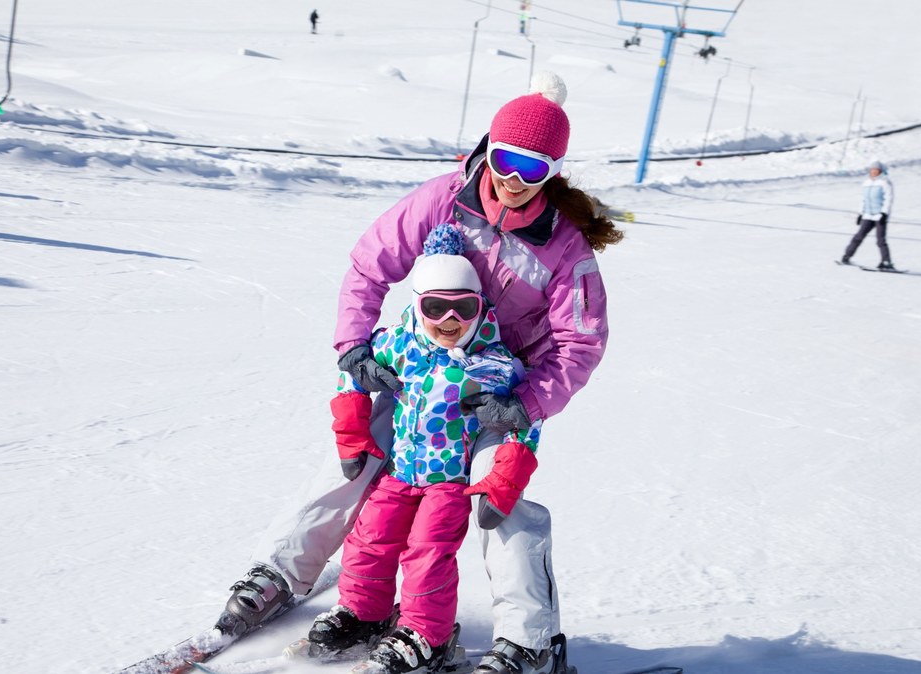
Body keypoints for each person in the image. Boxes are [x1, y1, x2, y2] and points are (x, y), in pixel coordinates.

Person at [216, 71, 621, 674]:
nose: (512, 181)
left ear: (553, 173)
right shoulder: (443, 198)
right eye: (505, 160)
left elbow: (580, 343)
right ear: (488, 147)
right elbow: (369, 264)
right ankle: (282, 573)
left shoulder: (564, 248)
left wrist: (527, 404)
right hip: (417, 367)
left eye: (531, 170)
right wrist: (357, 346)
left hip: (498, 393)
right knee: (355, 459)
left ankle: (530, 641)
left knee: (497, 500)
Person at [306, 225, 543, 674]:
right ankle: (365, 613)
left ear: (480, 307)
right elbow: (351, 373)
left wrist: (505, 478)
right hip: (399, 472)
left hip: (450, 482)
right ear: (418, 304)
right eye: (436, 308)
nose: (449, 321)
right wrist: (353, 431)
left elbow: (523, 423)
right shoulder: (398, 343)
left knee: (427, 552)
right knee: (369, 540)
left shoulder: (492, 363)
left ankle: (427, 634)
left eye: (463, 308)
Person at [840, 160, 895, 270]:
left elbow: (889, 199)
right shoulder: (866, 183)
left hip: (880, 216)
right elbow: (863, 200)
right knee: (858, 237)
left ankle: (886, 262)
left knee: (880, 240)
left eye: (876, 170)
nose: (874, 172)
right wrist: (861, 214)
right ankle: (847, 256)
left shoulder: (885, 182)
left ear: (881, 171)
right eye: (872, 170)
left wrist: (884, 213)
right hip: (868, 216)